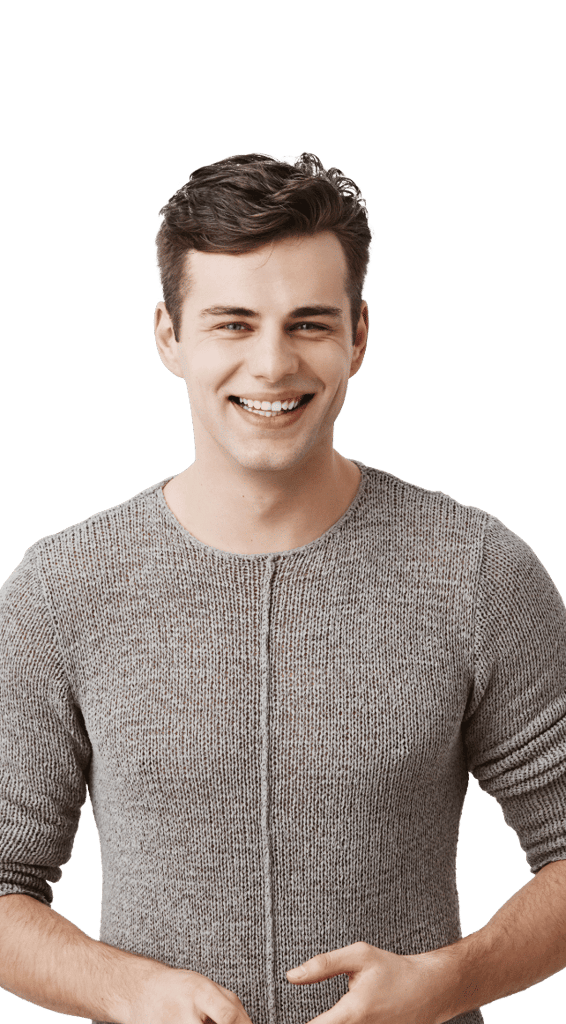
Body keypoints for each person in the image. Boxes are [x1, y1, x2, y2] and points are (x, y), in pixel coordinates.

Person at [0, 151, 565, 1024]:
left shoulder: (477, 571)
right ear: (169, 335)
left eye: (309, 323)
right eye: (233, 323)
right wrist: (127, 990)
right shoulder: (61, 588)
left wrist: (453, 982)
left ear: (358, 336)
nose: (272, 364)